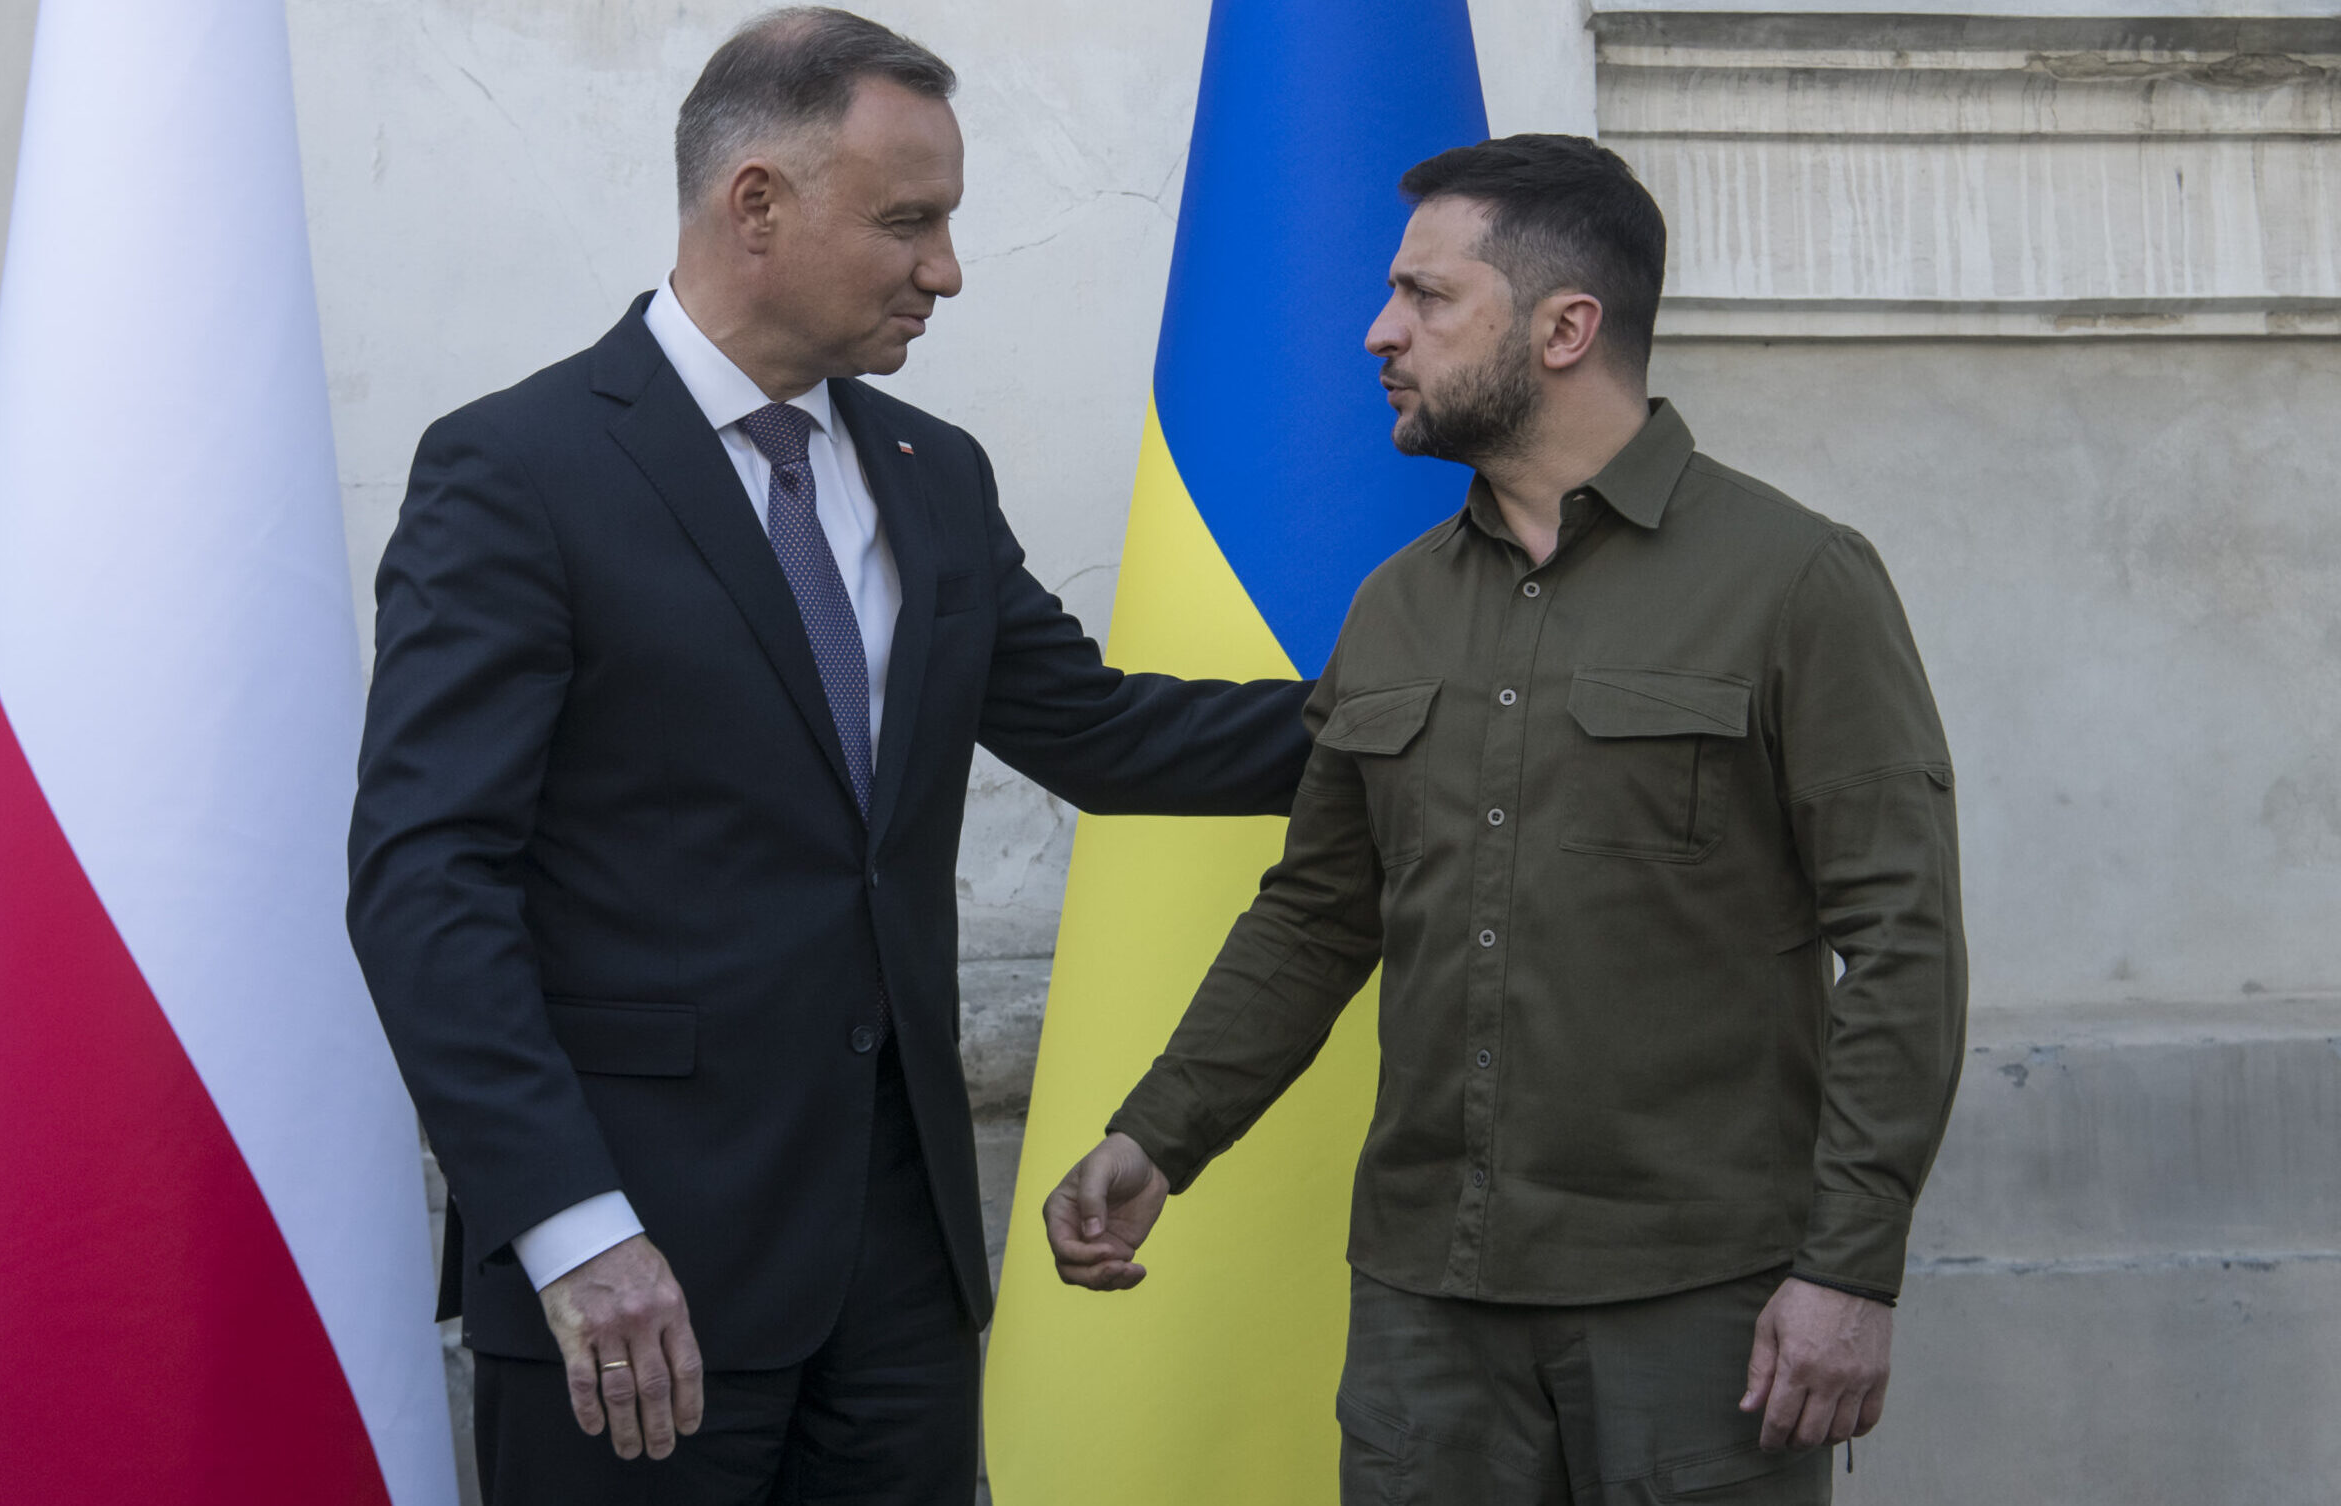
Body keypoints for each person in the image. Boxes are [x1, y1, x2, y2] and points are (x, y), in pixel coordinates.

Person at [345, 10, 1310, 1503]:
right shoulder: (516, 471)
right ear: (756, 206)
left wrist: (1437, 703)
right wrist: (570, 1224)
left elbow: (1108, 734)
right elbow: (426, 883)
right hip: (633, 1282)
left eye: (949, 223)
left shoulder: (935, 473)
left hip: (901, 1284)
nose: (947, 269)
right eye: (909, 222)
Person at [1044, 134, 1967, 1505]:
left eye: (1426, 295)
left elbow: (1900, 944)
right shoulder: (1395, 605)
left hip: (1697, 1310)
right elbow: (1316, 916)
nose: (1379, 330)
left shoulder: (1798, 582)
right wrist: (1157, 1133)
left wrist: (1847, 1265)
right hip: (1429, 1308)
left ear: (1564, 327)